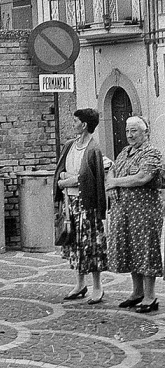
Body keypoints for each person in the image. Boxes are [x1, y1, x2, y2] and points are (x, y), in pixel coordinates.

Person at [106, 115, 163, 313]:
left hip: (145, 211)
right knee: (131, 249)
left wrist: (114, 183)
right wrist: (111, 183)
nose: (129, 135)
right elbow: (112, 170)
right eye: (127, 131)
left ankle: (150, 297)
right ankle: (136, 292)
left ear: (145, 132)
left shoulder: (152, 153)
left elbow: (142, 177)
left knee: (146, 250)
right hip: (124, 210)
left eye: (134, 131)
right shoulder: (125, 152)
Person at [54, 108, 108, 304]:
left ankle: (97, 286)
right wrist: (71, 179)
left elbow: (90, 179)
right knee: (74, 243)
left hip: (87, 205)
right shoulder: (69, 145)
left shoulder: (93, 149)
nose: (73, 124)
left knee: (90, 244)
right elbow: (61, 172)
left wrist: (68, 181)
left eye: (75, 121)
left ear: (84, 125)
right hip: (71, 203)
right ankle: (79, 283)